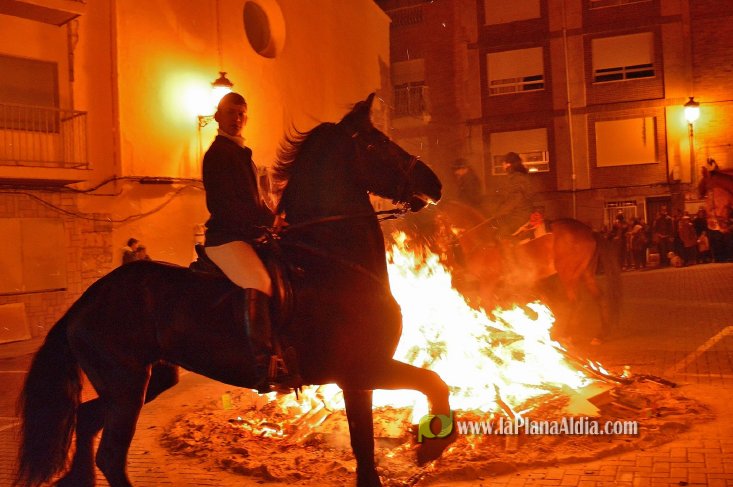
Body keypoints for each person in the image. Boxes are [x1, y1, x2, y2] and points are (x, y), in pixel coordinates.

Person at [201, 91, 277, 388]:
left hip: (245, 235)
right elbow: (229, 206)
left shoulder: (241, 152)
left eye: (242, 113)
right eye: (231, 112)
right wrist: (266, 223)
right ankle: (261, 365)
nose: (237, 119)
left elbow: (255, 202)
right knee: (260, 281)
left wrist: (275, 220)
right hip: (226, 238)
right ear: (218, 116)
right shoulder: (219, 154)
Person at [490, 152, 534, 238]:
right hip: (517, 213)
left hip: (519, 215)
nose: (502, 165)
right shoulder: (517, 177)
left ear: (508, 164)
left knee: (500, 235)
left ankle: (511, 251)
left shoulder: (517, 179)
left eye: (503, 163)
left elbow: (514, 199)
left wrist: (499, 212)